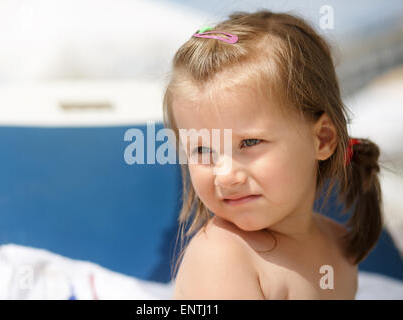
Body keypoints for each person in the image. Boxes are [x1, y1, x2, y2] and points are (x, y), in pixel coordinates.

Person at [162, 10, 383, 299]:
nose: (225, 176)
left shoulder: (339, 245)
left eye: (250, 142)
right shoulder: (222, 257)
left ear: (323, 139)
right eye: (202, 149)